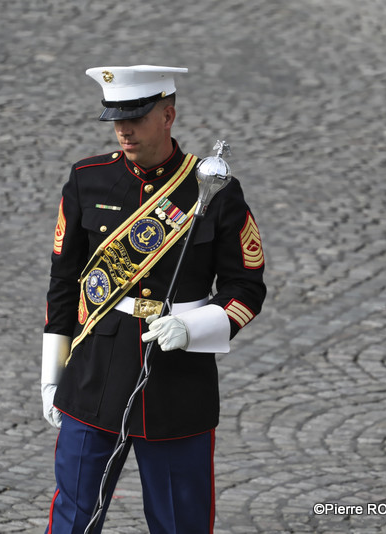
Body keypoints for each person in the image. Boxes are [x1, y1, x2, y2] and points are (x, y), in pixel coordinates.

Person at [41, 64, 266, 533]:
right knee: (74, 515)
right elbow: (64, 283)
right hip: (94, 373)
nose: (123, 130)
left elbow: (245, 287)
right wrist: (51, 375)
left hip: (177, 378)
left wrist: (194, 327)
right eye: (115, 119)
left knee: (180, 519)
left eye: (136, 118)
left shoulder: (214, 190)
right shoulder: (88, 180)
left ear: (168, 115)